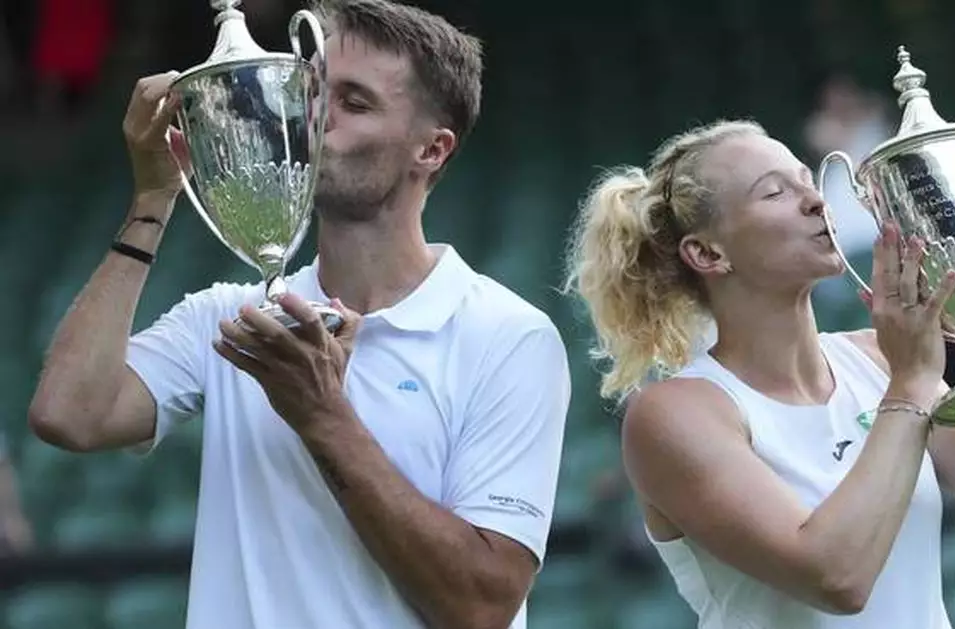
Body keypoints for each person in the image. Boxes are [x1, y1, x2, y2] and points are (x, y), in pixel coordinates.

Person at [28, 2, 571, 628]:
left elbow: (481, 606)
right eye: (312, 92)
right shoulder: (231, 316)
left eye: (355, 103)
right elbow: (68, 413)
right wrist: (153, 199)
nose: (316, 118)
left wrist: (320, 414)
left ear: (432, 149)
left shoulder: (508, 336)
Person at [564, 119, 955, 628]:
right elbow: (836, 577)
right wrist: (909, 385)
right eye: (774, 194)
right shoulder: (674, 413)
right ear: (706, 253)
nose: (816, 201)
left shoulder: (879, 361)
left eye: (807, 181)